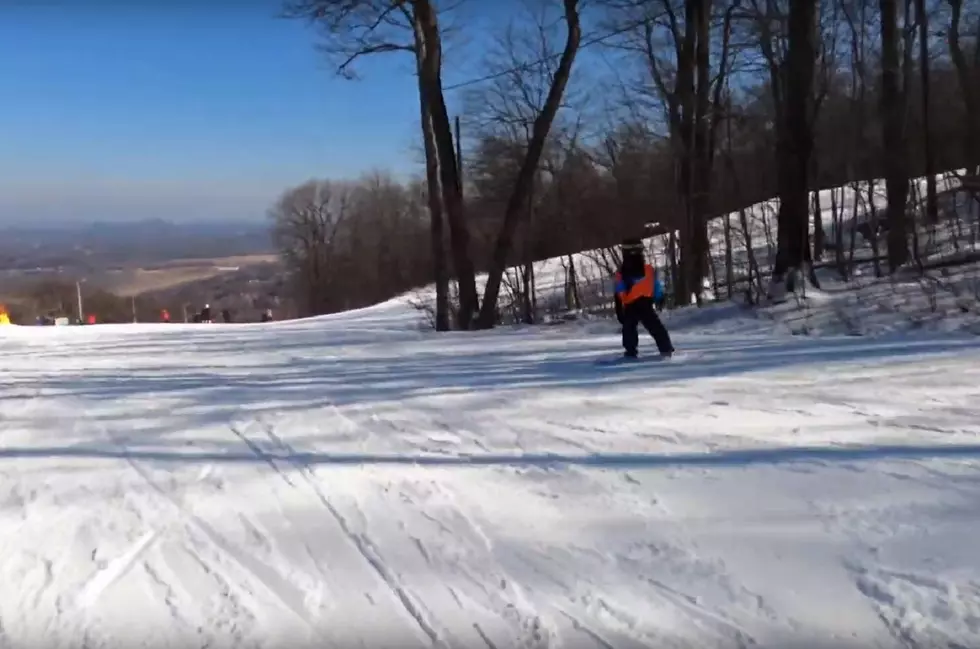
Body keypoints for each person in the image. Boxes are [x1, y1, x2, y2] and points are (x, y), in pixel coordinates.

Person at [613, 238, 674, 359]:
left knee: (630, 329)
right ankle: (666, 349)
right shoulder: (647, 270)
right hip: (644, 303)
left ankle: (631, 352)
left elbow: (619, 291)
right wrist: (659, 297)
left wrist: (619, 308)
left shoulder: (622, 273)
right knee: (654, 327)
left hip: (632, 304)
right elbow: (655, 285)